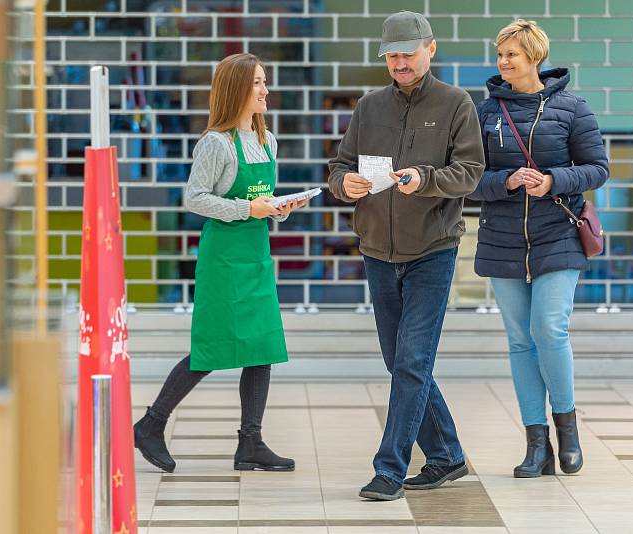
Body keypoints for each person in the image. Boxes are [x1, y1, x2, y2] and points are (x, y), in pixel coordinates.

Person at [328, 11, 485, 501]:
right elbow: (340, 166)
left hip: (432, 250)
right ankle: (447, 456)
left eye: (408, 54)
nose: (399, 63)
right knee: (399, 360)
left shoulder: (457, 103)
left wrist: (427, 179)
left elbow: (471, 171)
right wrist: (343, 185)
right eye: (392, 56)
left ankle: (389, 469)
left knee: (413, 360)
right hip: (377, 250)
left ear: (430, 50)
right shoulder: (368, 107)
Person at [133, 53, 307, 473]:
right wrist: (250, 209)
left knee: (262, 346)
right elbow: (195, 198)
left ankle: (251, 442)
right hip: (224, 260)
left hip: (255, 257)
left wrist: (283, 207)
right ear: (237, 90)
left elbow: (261, 201)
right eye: (258, 84)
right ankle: (150, 424)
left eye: (265, 82)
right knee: (210, 349)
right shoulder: (216, 142)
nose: (265, 91)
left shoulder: (268, 140)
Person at [468, 20, 608, 478]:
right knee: (519, 341)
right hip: (503, 238)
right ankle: (536, 444)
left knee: (550, 330)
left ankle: (568, 430)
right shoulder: (485, 113)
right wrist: (505, 182)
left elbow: (597, 169)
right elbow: (469, 179)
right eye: (500, 54)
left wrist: (552, 181)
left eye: (513, 54)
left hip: (558, 235)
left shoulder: (571, 108)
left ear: (535, 58)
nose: (504, 62)